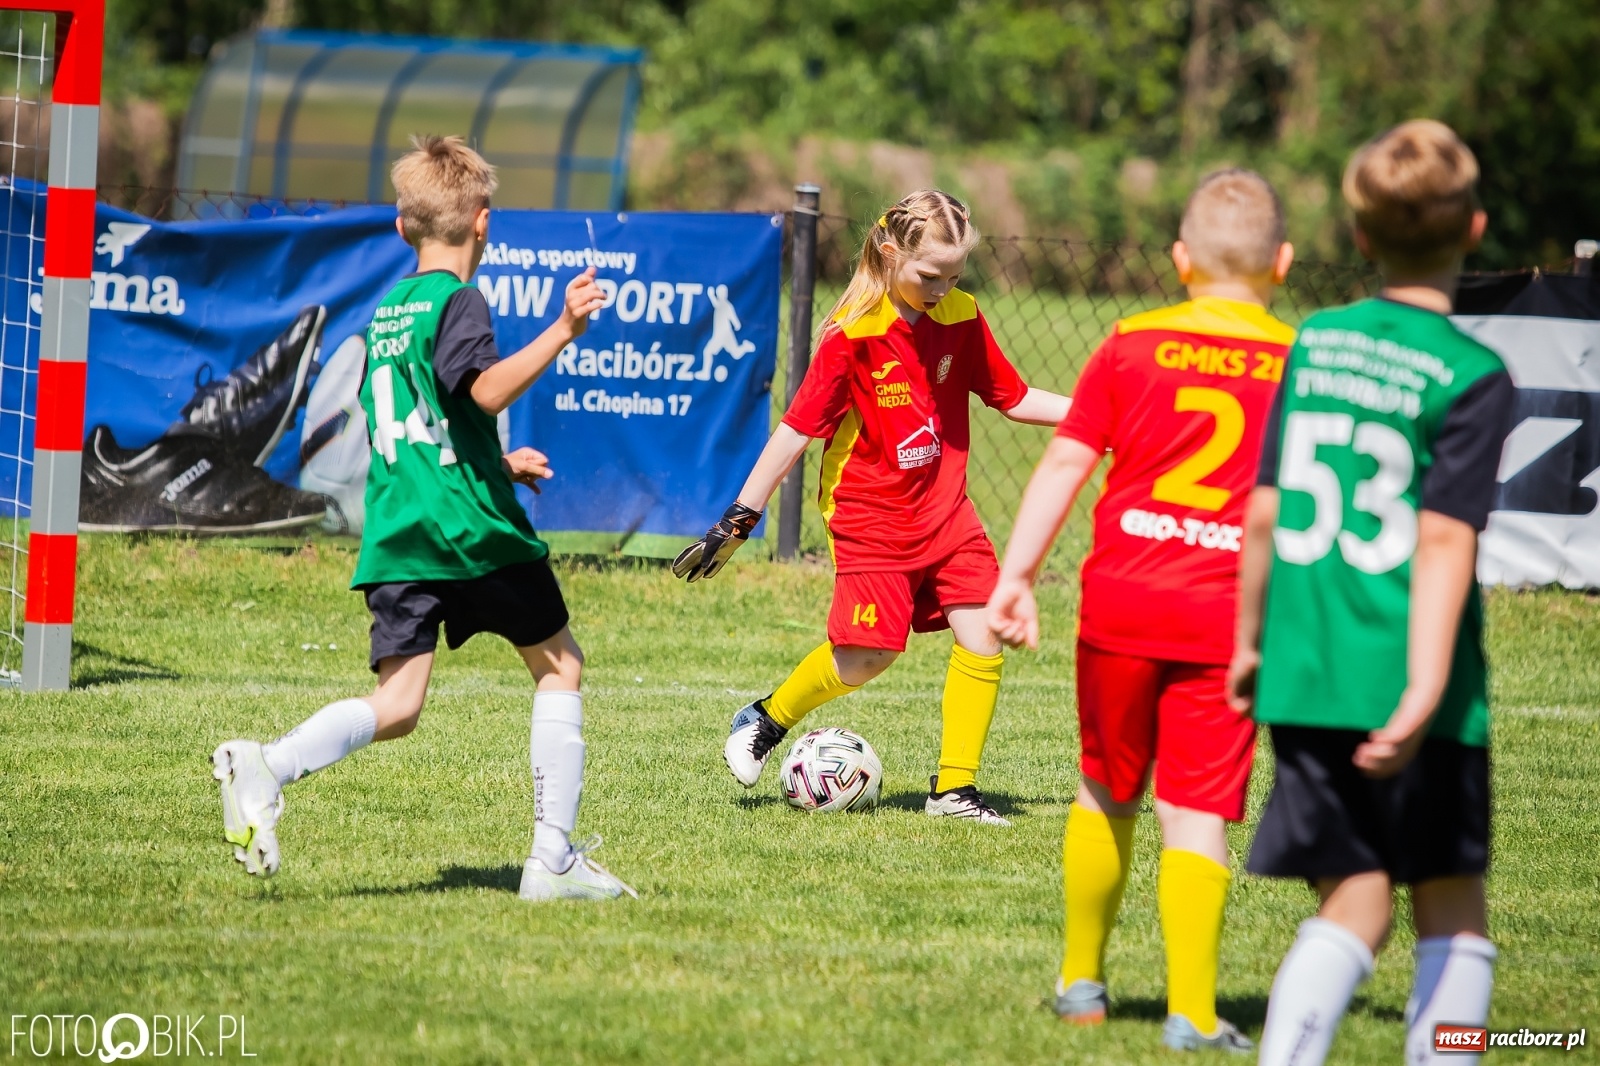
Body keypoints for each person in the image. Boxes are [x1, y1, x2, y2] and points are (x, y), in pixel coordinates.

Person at [211, 135, 635, 902]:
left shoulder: (387, 313)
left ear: (403, 229)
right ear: (483, 223)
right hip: (469, 531)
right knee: (560, 666)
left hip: (400, 531)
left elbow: (417, 424)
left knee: (399, 706)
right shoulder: (458, 300)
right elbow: (481, 392)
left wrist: (496, 463)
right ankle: (553, 861)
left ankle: (267, 765)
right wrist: (564, 329)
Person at [988, 170, 1295, 1051]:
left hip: (1122, 600)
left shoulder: (1127, 343)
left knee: (1106, 787)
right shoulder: (1296, 360)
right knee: (1196, 812)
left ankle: (1080, 982)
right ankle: (1192, 1014)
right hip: (1226, 617)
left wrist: (1017, 575)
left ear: (1179, 258)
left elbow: (1062, 466)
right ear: (1281, 263)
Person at [1230, 120, 1515, 1065]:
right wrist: (1428, 689)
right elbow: (1442, 537)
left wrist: (1248, 639)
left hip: (1308, 672)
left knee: (1353, 904)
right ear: (1474, 228)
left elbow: (1266, 510)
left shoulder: (1315, 341)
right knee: (1451, 914)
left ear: (1359, 237)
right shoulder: (1474, 374)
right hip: (1411, 684)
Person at [673, 189, 1070, 823]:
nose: (943, 287)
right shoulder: (851, 336)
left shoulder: (962, 316)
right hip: (871, 516)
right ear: (889, 253)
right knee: (866, 658)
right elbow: (796, 432)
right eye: (929, 275)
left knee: (983, 632)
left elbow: (1013, 397)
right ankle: (766, 718)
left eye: (955, 275)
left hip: (946, 512)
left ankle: (954, 791)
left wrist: (1098, 417)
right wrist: (738, 519)